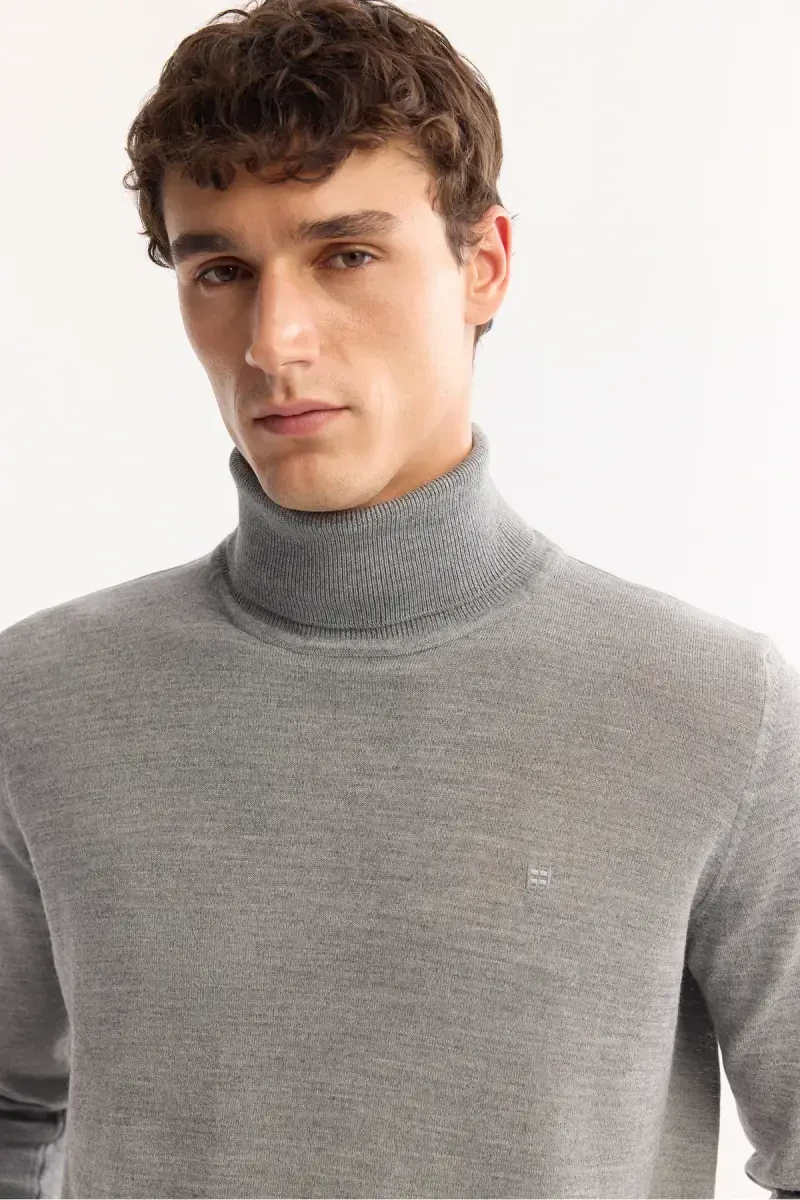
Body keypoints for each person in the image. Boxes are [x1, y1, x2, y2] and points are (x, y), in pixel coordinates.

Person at [1, 1, 798, 1197]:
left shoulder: (714, 710)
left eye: (346, 254)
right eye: (221, 270)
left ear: (483, 266)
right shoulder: (43, 701)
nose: (274, 341)